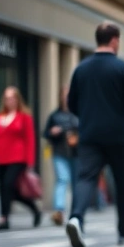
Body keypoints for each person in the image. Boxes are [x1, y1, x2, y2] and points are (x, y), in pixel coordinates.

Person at [65, 22, 124, 247]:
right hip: (118, 134)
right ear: (114, 40)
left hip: (89, 133)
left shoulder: (81, 69)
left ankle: (76, 218)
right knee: (122, 182)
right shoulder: (122, 68)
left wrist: (89, 115)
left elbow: (71, 103)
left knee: (85, 177)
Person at [0, 87, 41, 230]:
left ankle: (4, 219)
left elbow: (30, 139)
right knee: (7, 190)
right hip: (1, 158)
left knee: (7, 185)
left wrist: (30, 161)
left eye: (12, 98)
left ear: (17, 99)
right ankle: (34, 209)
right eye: (7, 98)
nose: (9, 101)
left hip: (18, 157)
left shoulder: (24, 117)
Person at [43, 86, 78, 225]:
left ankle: (77, 212)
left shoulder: (78, 114)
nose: (67, 98)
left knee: (77, 183)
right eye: (65, 95)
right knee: (62, 179)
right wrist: (53, 132)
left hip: (76, 153)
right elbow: (45, 133)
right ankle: (59, 211)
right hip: (59, 152)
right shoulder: (54, 115)